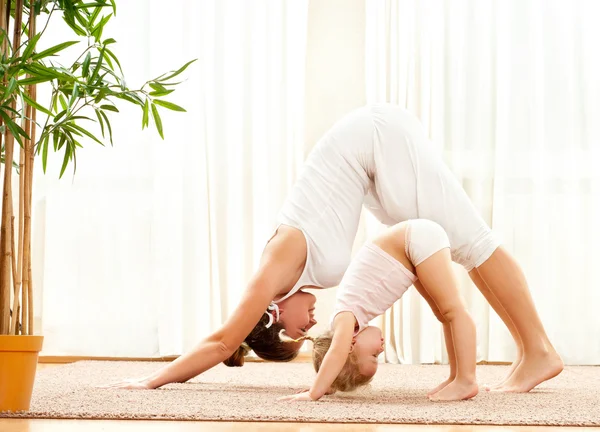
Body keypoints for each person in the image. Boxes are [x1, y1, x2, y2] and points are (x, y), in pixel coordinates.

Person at [101, 103, 562, 392]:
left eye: (299, 332)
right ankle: (528, 352)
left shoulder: (274, 268)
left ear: (275, 316)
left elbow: (223, 341)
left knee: (473, 240)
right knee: (455, 247)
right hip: (371, 163)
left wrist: (154, 379)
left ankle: (539, 350)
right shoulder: (297, 276)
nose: (312, 325)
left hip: (375, 141)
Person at [279, 219, 479, 402]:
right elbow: (338, 355)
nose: (381, 349)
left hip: (412, 240)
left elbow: (337, 353)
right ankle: (456, 376)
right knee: (444, 315)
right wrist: (329, 384)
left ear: (351, 345)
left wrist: (315, 393)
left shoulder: (345, 317)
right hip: (411, 246)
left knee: (453, 310)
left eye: (374, 355)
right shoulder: (350, 318)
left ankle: (467, 380)